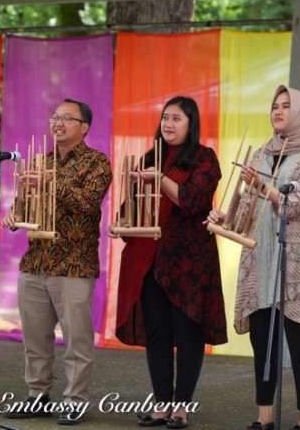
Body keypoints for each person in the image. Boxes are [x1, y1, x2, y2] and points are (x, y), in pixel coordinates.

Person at [208, 85, 300, 430]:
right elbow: (247, 204)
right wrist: (224, 216)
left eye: (286, 106)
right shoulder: (263, 152)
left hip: (296, 260)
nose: (278, 111)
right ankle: (264, 416)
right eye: (275, 106)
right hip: (260, 257)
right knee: (263, 341)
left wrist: (265, 189)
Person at [114, 97, 226, 429]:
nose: (169, 124)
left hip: (188, 263)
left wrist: (160, 178)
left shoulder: (204, 159)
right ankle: (161, 404)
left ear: (191, 124)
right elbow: (131, 206)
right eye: (165, 118)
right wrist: (120, 222)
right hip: (150, 259)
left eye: (177, 118)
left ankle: (181, 408)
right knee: (158, 334)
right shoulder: (151, 157)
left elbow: (192, 201)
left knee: (188, 334)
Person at [1, 98, 112, 426]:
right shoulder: (39, 161)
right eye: (54, 117)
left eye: (67, 118)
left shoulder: (96, 162)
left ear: (84, 127)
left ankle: (75, 400)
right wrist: (14, 214)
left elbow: (89, 203)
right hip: (35, 261)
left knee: (77, 339)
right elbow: (24, 204)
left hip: (74, 264)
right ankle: (37, 395)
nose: (58, 123)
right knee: (35, 338)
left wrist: (51, 183)